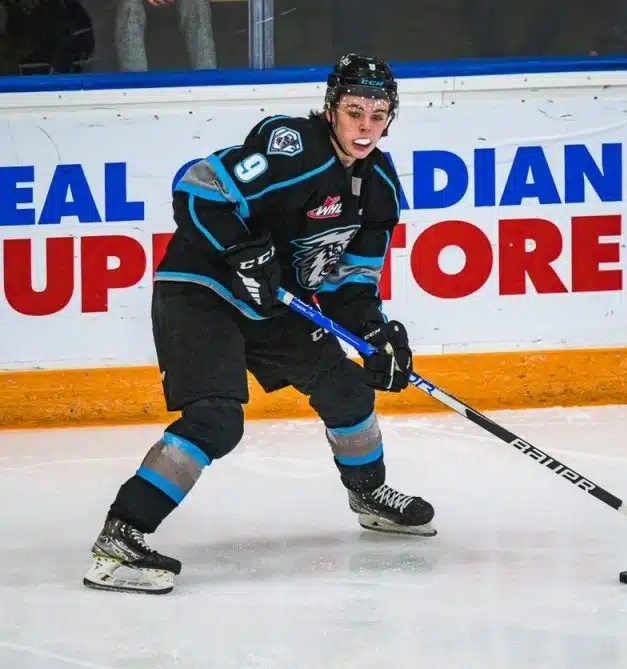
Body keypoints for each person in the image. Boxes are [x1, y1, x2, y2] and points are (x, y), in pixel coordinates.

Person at [82, 53, 435, 596]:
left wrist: (373, 333)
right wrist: (243, 251)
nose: (365, 126)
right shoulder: (290, 147)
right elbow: (197, 190)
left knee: (347, 389)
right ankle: (119, 538)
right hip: (202, 290)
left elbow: (350, 283)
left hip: (273, 303)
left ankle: (368, 495)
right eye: (354, 111)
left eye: (377, 114)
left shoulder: (380, 187)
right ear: (331, 108)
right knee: (216, 421)